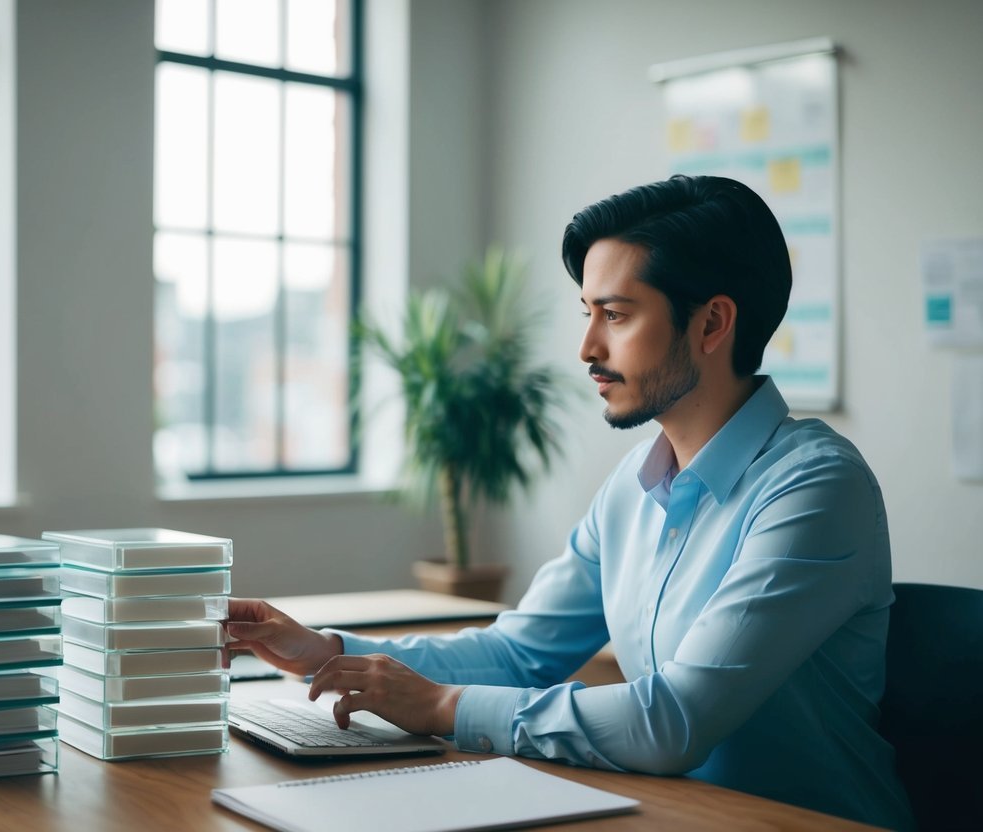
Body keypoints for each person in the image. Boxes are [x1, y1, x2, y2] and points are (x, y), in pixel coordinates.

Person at [226, 175, 913, 830]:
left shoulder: (815, 488)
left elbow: (673, 721)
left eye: (615, 315)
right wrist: (325, 653)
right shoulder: (633, 485)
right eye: (588, 314)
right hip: (673, 817)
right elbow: (518, 654)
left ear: (711, 323)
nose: (586, 347)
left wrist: (442, 707)